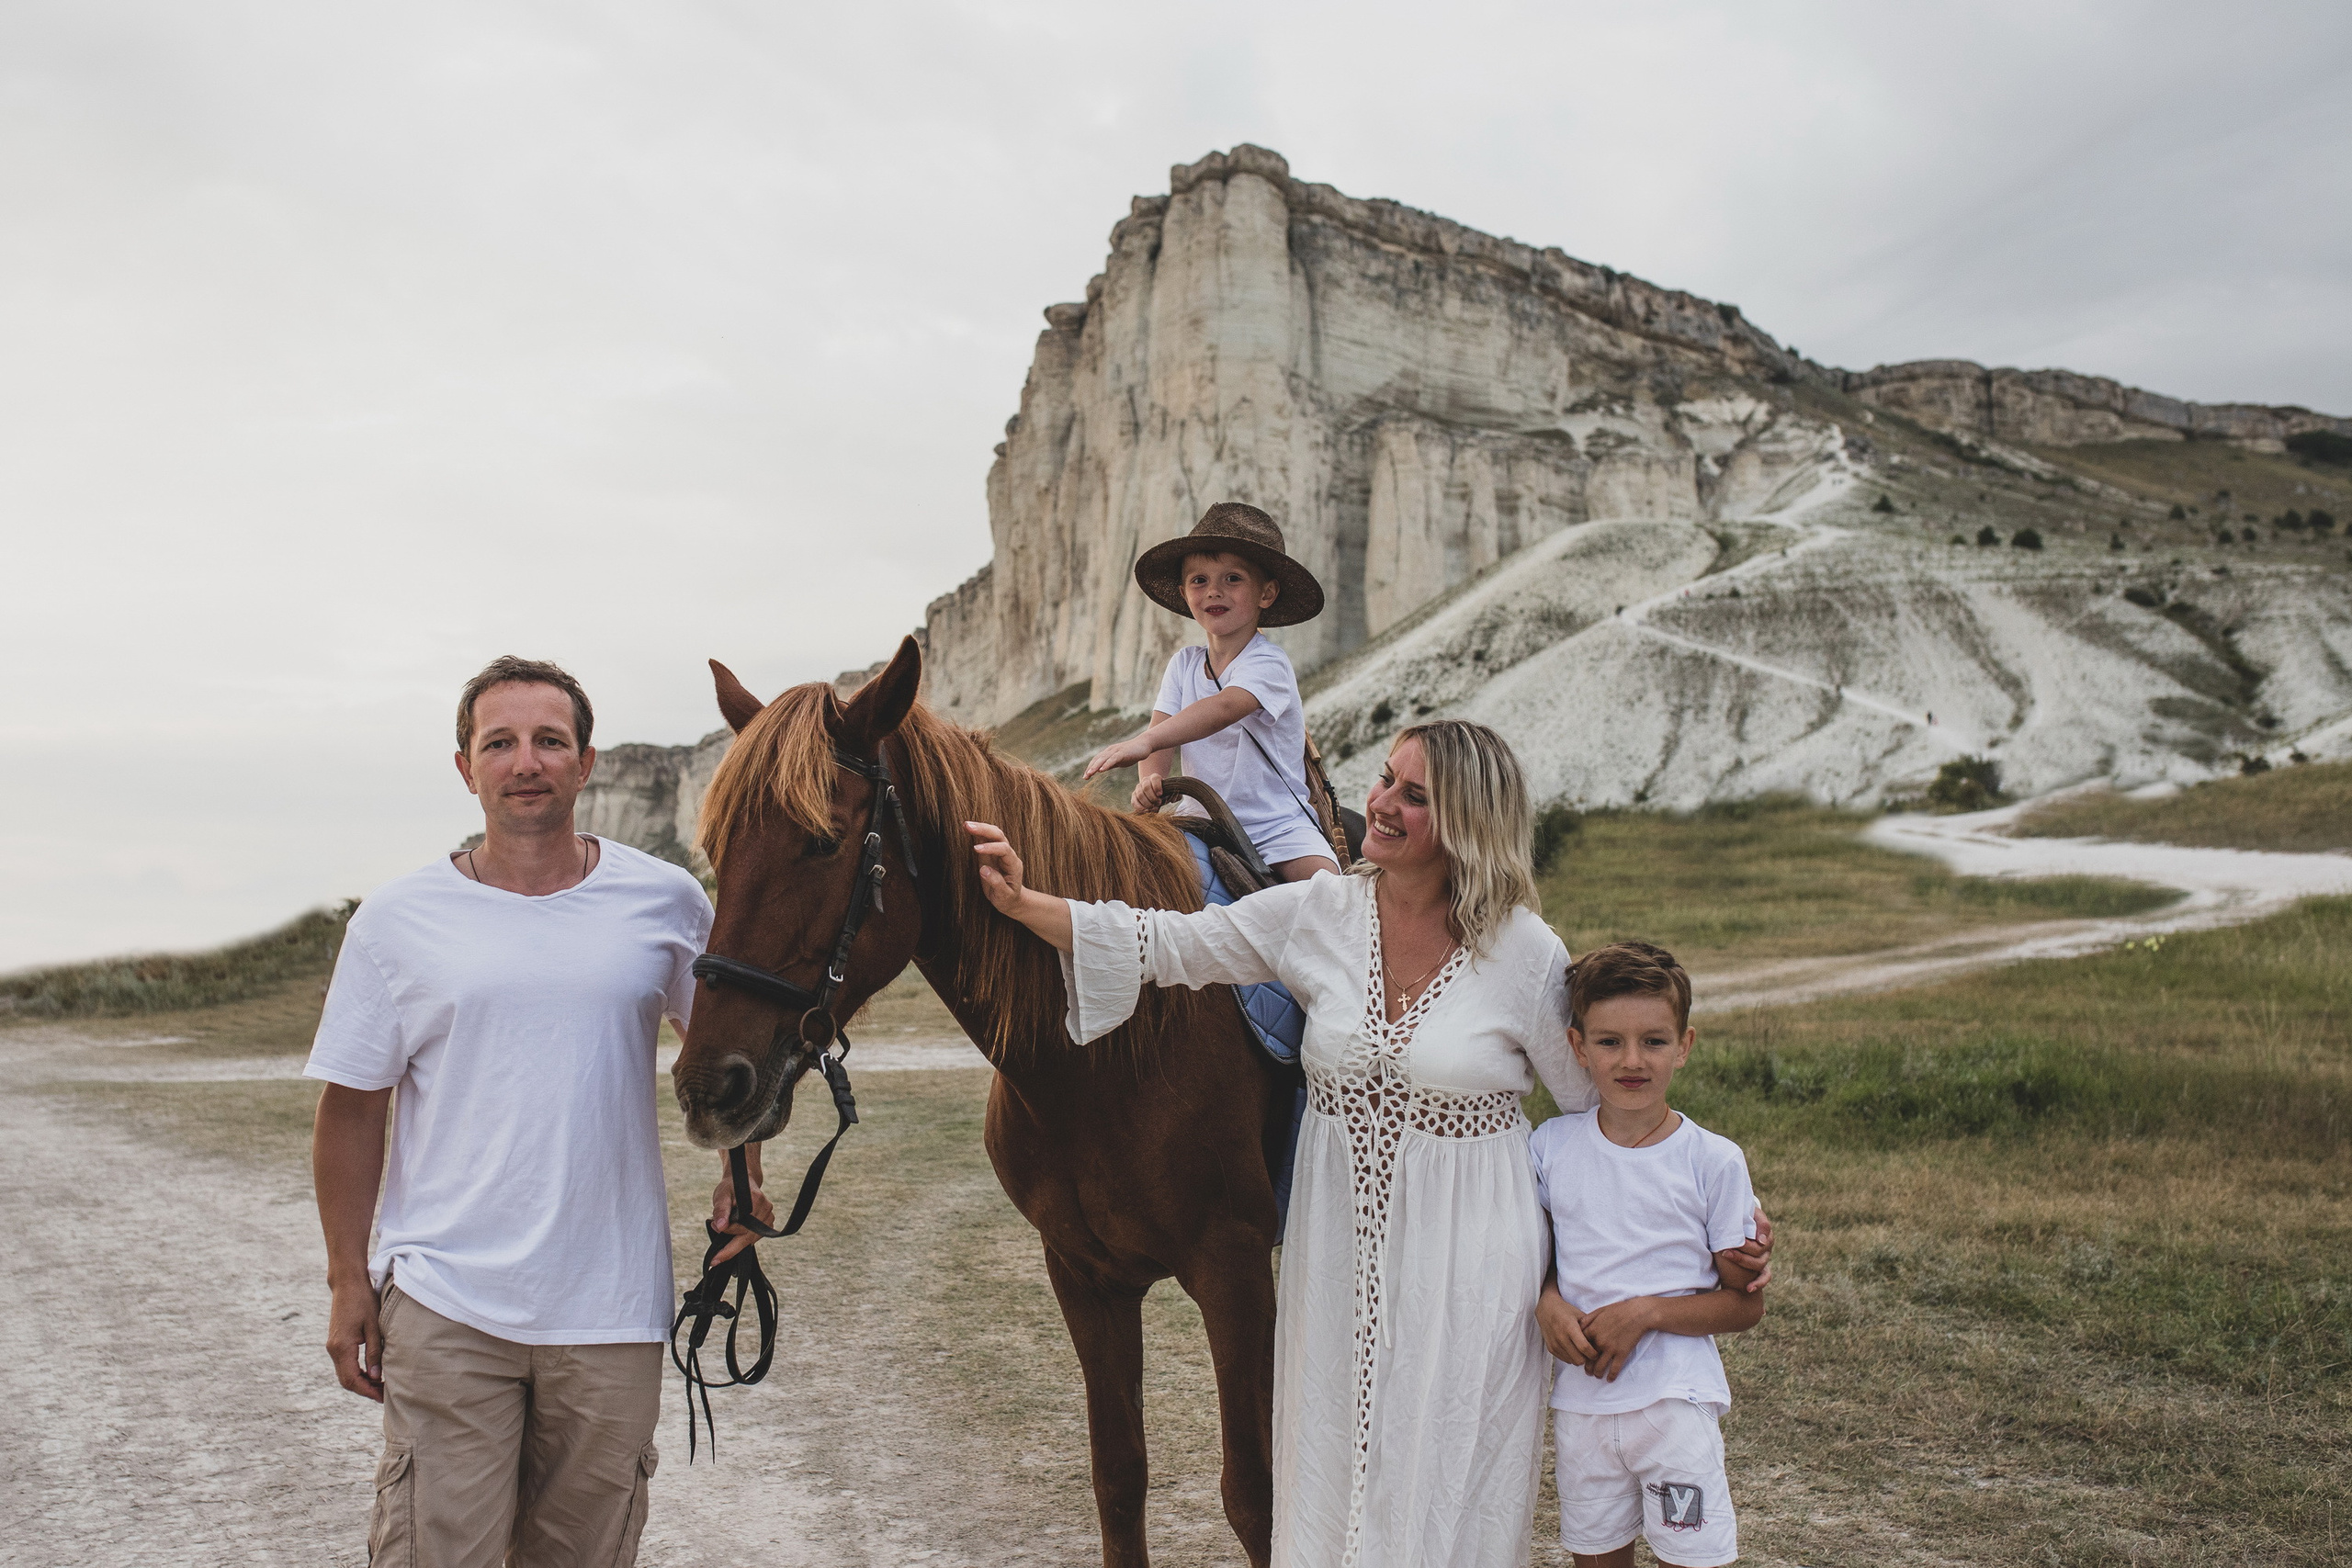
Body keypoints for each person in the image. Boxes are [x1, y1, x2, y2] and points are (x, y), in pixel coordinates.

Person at [968, 720, 1767, 1567]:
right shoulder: (1317, 915)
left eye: (1413, 795)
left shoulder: (1526, 955)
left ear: (1468, 822)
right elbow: (1162, 943)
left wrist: (1676, 1244)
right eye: (1386, 779)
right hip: (1335, 1260)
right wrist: (1024, 902)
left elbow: (1599, 1125)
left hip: (1478, 1273)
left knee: (1449, 1469)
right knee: (1332, 1465)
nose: (1379, 804)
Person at [305, 655, 768, 1568]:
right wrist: (347, 1282)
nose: (526, 761)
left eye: (549, 741)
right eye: (500, 743)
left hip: (609, 1308)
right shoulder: (397, 920)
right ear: (464, 766)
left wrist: (741, 1183)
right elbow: (352, 1108)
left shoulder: (666, 902)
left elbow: (728, 1059)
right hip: (446, 1301)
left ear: (585, 762)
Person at [1532, 942, 1764, 1568]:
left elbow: (1744, 1305)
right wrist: (1546, 1302)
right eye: (1609, 1042)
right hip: (1582, 1405)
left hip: (1674, 1406)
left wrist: (1646, 1312)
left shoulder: (1714, 1160)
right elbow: (1539, 1256)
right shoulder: (1549, 1147)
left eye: (1654, 1041)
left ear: (1684, 1044)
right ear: (1578, 1048)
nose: (1632, 1060)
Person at [1081, 502, 1341, 880]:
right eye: (1199, 580)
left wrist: (1143, 742)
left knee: (1325, 892)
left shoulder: (1269, 663)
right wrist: (1149, 781)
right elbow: (1163, 729)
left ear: (1266, 594)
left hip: (1275, 827)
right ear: (1185, 593)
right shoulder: (1183, 664)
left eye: (1232, 579)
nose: (1213, 591)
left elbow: (1223, 708)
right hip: (1200, 820)